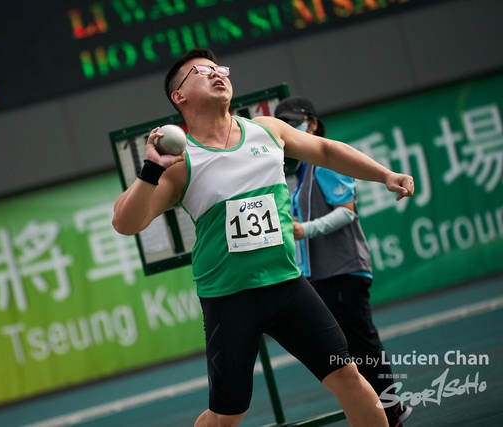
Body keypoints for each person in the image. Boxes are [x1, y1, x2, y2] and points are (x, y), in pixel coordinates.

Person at [112, 47, 415, 427]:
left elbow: (323, 149)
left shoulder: (267, 130)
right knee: (228, 414)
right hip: (228, 298)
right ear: (180, 97)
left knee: (348, 376)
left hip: (288, 285)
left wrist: (385, 175)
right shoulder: (180, 162)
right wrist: (150, 171)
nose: (217, 73)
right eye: (202, 72)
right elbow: (125, 223)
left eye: (219, 68)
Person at [274, 96, 413, 427]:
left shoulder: (323, 162)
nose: (291, 129)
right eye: (285, 123)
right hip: (323, 273)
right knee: (347, 349)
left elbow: (347, 212)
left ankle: (391, 409)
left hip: (342, 269)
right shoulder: (302, 171)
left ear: (313, 123)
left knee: (361, 346)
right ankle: (384, 410)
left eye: (296, 122)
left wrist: (303, 229)